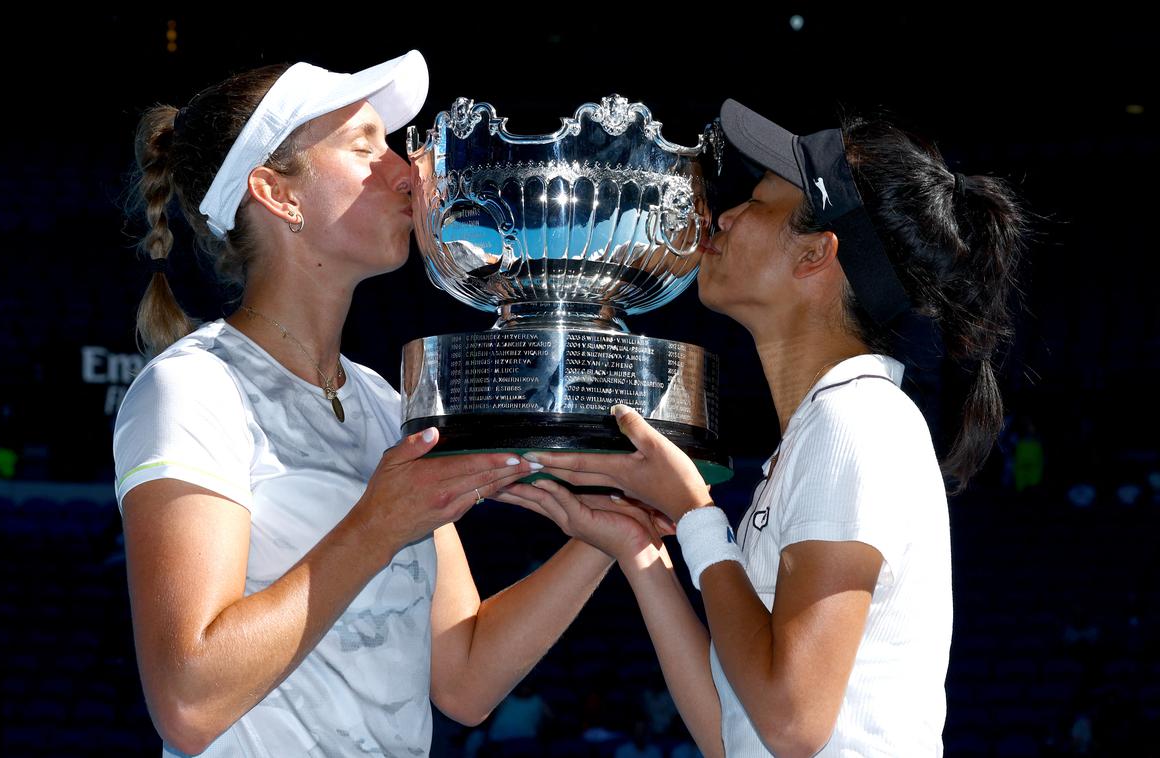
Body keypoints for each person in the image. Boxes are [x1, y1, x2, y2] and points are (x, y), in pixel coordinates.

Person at [114, 51, 619, 757]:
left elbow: (464, 677)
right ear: (277, 193)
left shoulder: (385, 403)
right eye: (365, 146)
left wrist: (608, 536)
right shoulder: (194, 390)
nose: (408, 170)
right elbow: (189, 702)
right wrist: (376, 526)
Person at [496, 99, 1027, 756]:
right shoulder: (827, 427)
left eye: (762, 200)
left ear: (814, 255)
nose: (725, 213)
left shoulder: (858, 422)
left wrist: (694, 511)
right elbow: (737, 732)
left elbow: (792, 722)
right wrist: (641, 553)